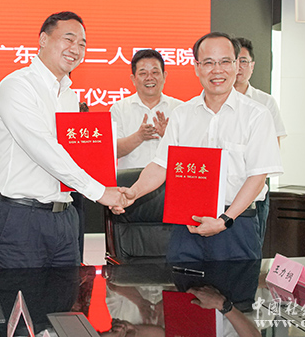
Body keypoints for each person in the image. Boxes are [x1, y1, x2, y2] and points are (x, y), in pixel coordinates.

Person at [118, 32, 283, 261]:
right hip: (186, 225)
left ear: (236, 65)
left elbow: (257, 176)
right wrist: (133, 192)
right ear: (197, 67)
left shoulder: (257, 115)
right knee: (181, 283)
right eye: (208, 63)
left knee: (237, 285)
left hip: (236, 224)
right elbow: (161, 165)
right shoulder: (182, 114)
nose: (217, 70)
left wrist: (225, 220)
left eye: (225, 62)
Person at [0, 11, 125, 268]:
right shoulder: (17, 86)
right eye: (68, 39)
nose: (76, 49)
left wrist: (108, 189)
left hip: (65, 217)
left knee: (67, 293)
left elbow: (75, 154)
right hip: (21, 218)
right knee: (21, 295)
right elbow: (44, 148)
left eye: (82, 44)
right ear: (43, 39)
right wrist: (100, 192)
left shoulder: (69, 95)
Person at [233, 37, 286, 246]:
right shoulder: (210, 101)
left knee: (251, 248)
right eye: (233, 61)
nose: (239, 67)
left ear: (252, 66)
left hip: (255, 193)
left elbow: (274, 148)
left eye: (244, 61)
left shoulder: (265, 103)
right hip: (220, 192)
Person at [110, 49, 183, 169]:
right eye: (143, 73)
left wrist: (168, 135)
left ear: (164, 76)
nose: (150, 78)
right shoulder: (119, 108)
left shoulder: (179, 108)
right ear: (133, 79)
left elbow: (190, 151)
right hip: (130, 179)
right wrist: (139, 137)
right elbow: (112, 151)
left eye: (155, 72)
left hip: (168, 177)